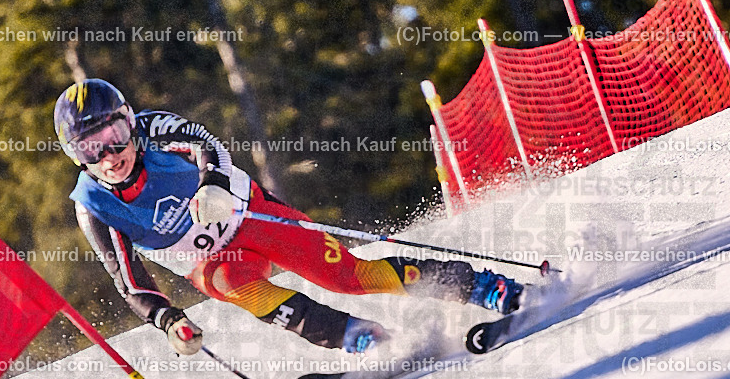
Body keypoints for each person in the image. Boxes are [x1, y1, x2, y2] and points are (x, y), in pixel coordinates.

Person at [55, 79, 522, 357]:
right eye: (91, 149)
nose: (109, 156)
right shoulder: (92, 204)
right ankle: (360, 337)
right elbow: (129, 280)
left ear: (129, 121)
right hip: (211, 262)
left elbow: (206, 144)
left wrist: (212, 183)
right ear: (76, 156)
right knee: (234, 285)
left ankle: (482, 287)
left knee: (346, 276)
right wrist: (168, 321)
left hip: (252, 215)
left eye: (114, 135)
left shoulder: (154, 129)